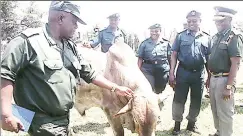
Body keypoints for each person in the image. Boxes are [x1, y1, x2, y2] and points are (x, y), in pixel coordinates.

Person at [0, 1, 134, 136]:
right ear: (61, 18)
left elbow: (89, 73)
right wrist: (6, 114)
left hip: (64, 119)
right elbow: (5, 74)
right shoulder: (29, 42)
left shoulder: (69, 46)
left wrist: (115, 88)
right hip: (41, 122)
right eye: (74, 21)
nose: (76, 26)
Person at [169, 10, 210, 135]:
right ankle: (177, 126)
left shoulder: (207, 38)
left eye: (194, 21)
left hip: (199, 74)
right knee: (179, 99)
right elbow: (174, 54)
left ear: (200, 21)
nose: (191, 23)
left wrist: (209, 76)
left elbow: (209, 58)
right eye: (189, 21)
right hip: (183, 72)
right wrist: (172, 73)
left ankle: (191, 125)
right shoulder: (180, 36)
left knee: (196, 100)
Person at [207, 6, 242, 136]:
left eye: (221, 20)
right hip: (214, 78)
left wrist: (228, 86)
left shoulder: (234, 37)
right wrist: (209, 78)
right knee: (215, 109)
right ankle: (219, 132)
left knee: (225, 112)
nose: (218, 23)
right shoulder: (216, 37)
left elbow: (235, 63)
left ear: (229, 19)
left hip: (225, 79)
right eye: (216, 20)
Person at [137, 23, 171, 95]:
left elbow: (170, 58)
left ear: (160, 31)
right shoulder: (144, 43)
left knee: (160, 90)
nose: (154, 33)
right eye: (152, 31)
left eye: (156, 31)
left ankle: (158, 103)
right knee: (148, 89)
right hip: (148, 69)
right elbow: (140, 58)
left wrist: (171, 72)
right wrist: (138, 71)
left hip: (162, 70)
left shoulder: (166, 43)